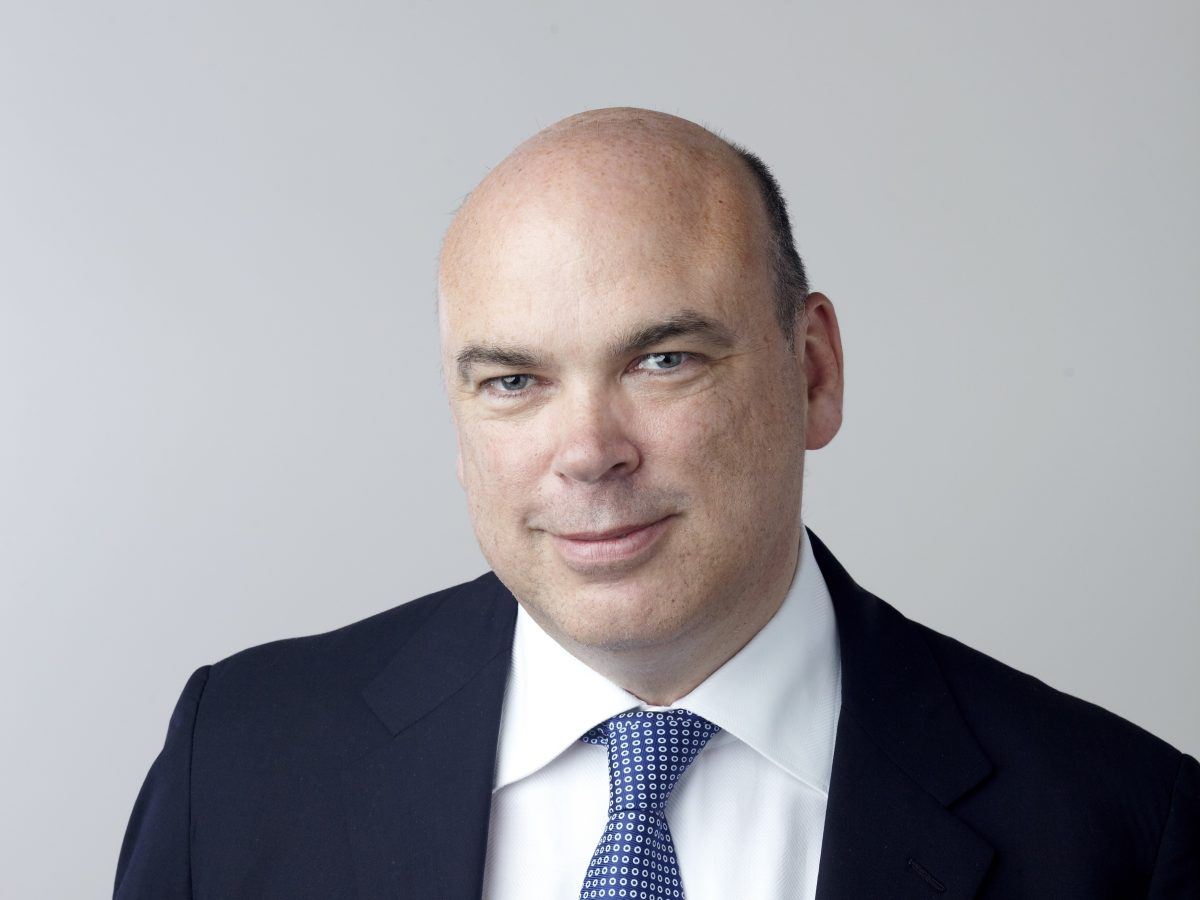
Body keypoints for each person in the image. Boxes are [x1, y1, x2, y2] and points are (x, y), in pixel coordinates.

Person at [114, 108, 1198, 899]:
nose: (587, 453)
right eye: (513, 382)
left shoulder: (1124, 834)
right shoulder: (240, 766)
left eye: (663, 359)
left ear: (813, 371)